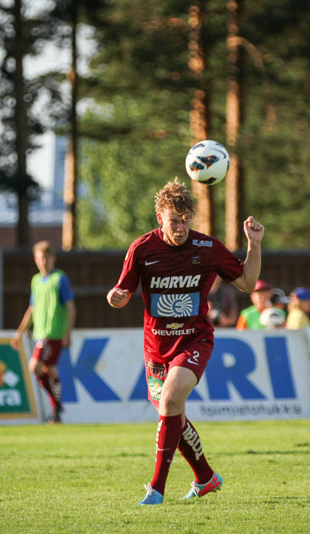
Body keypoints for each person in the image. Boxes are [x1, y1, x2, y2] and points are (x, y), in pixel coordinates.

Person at [106, 179, 264, 506]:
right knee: (172, 412)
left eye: (185, 220)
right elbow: (120, 292)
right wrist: (115, 297)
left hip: (194, 340)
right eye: (173, 221)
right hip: (155, 349)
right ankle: (205, 478)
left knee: (170, 401)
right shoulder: (142, 249)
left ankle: (155, 490)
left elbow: (248, 283)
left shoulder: (206, 248)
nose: (179, 228)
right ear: (159, 219)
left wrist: (254, 244)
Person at [11, 240, 76, 424]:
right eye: (40, 258)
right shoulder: (35, 281)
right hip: (39, 333)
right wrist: (19, 332)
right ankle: (56, 412)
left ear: (53, 258)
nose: (43, 262)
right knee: (51, 371)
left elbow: (70, 306)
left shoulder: (60, 279)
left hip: (52, 333)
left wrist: (67, 332)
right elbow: (32, 308)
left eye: (47, 258)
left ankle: (57, 404)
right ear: (35, 259)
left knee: (35, 367)